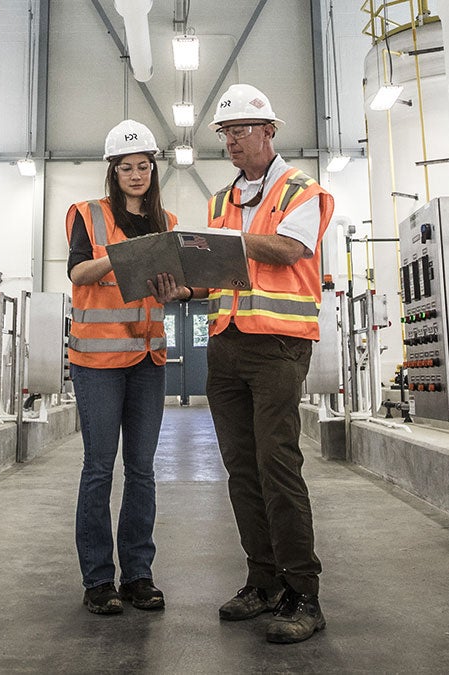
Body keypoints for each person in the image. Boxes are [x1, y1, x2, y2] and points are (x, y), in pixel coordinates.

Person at [157, 83, 336, 644]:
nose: (232, 140)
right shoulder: (219, 202)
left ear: (269, 131)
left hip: (279, 346)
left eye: (241, 130)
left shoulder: (301, 191)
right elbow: (217, 276)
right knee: (240, 469)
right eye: (226, 132)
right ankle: (263, 580)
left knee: (277, 464)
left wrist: (227, 238)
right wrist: (183, 290)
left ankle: (303, 593)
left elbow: (289, 250)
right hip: (226, 344)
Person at [66, 119, 182, 615]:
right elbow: (78, 272)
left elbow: (172, 286)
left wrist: (177, 290)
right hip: (98, 362)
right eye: (127, 168)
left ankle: (137, 575)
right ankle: (98, 580)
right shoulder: (88, 215)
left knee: (141, 471)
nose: (136, 175)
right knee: (98, 469)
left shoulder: (167, 222)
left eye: (144, 167)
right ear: (113, 172)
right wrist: (124, 256)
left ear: (153, 170)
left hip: (148, 359)